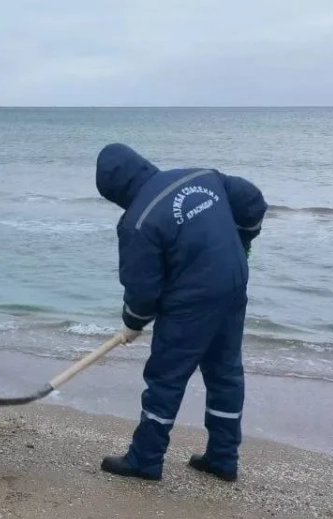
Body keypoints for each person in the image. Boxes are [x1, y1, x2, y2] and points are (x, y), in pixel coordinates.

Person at [93, 143, 266, 482]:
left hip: (192, 301)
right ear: (141, 164)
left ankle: (144, 460)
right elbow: (252, 201)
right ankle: (223, 458)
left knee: (165, 376)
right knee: (225, 372)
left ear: (115, 193)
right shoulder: (202, 176)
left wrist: (133, 322)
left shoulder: (137, 221)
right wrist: (244, 240)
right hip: (233, 282)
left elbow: (143, 288)